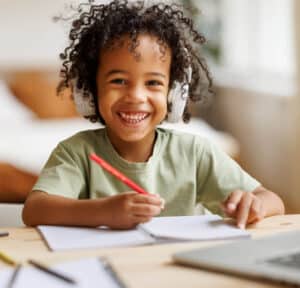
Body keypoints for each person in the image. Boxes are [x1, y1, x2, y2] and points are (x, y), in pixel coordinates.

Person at [22, 0, 284, 229]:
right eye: (118, 81)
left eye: (153, 83)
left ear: (174, 94)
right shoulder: (76, 152)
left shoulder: (195, 153)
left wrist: (254, 204)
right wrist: (106, 212)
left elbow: (273, 201)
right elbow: (35, 209)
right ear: (90, 92)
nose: (136, 96)